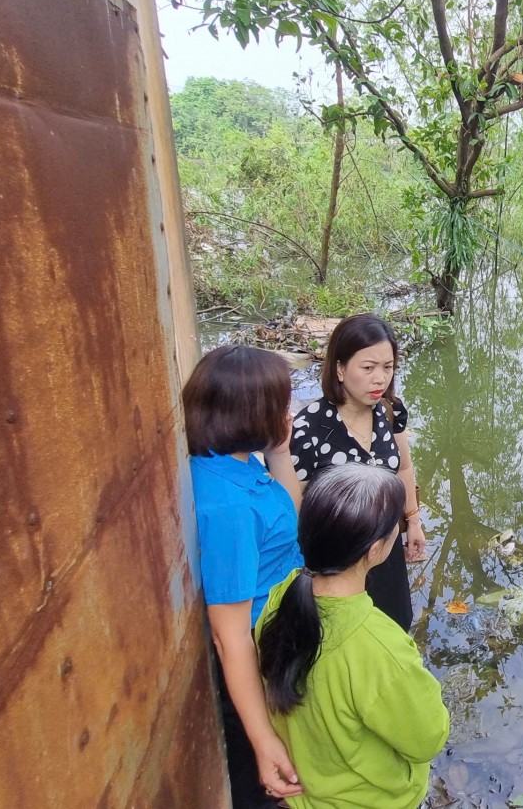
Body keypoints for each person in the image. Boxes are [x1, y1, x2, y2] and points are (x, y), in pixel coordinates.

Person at [256, 464, 450, 808]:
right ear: (375, 549)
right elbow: (428, 738)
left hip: (305, 796)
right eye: (396, 526)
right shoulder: (379, 647)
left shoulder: (279, 598)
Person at [183, 345, 304, 807]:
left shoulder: (230, 460)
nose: (288, 412)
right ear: (253, 412)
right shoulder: (228, 508)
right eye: (281, 404)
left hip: (279, 632)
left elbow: (288, 516)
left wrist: (281, 449)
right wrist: (263, 740)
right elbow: (228, 636)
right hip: (258, 656)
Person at [289, 313, 425, 631]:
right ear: (339, 368)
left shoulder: (390, 411)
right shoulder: (309, 427)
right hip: (336, 562)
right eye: (368, 368)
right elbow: (296, 505)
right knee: (344, 636)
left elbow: (403, 467)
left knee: (395, 624)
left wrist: (414, 520)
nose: (380, 379)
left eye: (387, 367)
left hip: (385, 549)